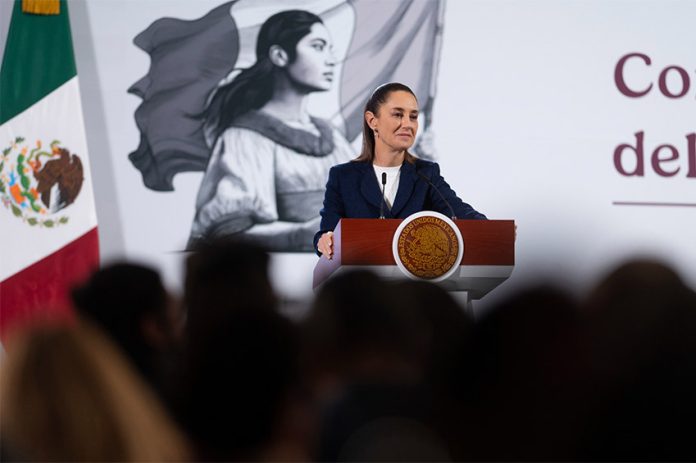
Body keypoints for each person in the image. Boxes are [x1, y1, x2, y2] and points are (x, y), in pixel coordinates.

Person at [189, 10, 354, 252]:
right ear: (279, 55)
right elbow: (228, 232)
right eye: (318, 47)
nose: (330, 59)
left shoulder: (332, 137)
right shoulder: (245, 138)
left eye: (330, 48)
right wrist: (302, 234)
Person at [314, 82, 486, 257]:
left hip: (416, 282)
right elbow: (328, 231)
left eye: (413, 117)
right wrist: (323, 240)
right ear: (372, 121)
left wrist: (491, 229)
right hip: (362, 281)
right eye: (398, 114)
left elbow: (460, 212)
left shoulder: (426, 174)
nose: (407, 124)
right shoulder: (343, 177)